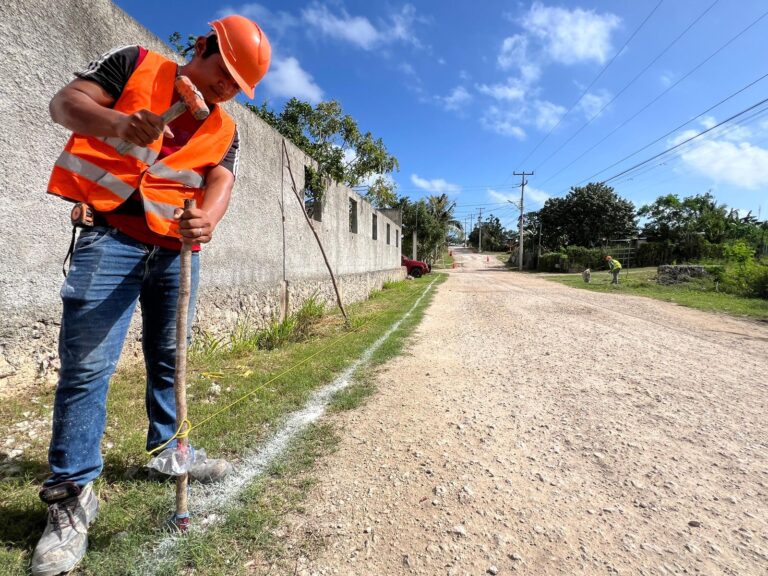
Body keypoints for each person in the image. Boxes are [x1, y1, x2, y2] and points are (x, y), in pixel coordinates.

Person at [32, 15, 270, 576]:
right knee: (87, 368)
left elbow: (220, 181)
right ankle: (72, 495)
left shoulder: (225, 129)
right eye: (223, 71)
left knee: (171, 359)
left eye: (237, 84)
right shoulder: (135, 65)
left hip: (175, 254)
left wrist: (208, 220)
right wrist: (118, 122)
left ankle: (170, 450)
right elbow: (64, 105)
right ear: (202, 46)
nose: (225, 87)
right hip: (109, 238)